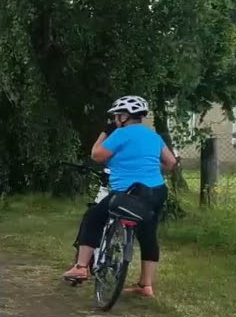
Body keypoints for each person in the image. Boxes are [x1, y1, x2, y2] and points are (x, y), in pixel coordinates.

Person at [63, 95, 175, 296]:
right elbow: (171, 163)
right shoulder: (154, 137)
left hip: (127, 192)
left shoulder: (120, 134)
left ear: (124, 117)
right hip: (156, 191)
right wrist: (147, 167)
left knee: (93, 217)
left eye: (116, 116)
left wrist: (105, 133)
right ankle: (146, 286)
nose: (115, 120)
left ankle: (80, 267)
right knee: (148, 233)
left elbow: (97, 155)